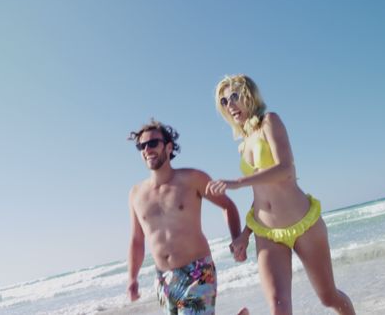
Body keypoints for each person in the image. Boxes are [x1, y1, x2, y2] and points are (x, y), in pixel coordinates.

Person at [207, 75, 355, 315]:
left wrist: (238, 182)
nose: (230, 105)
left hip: (303, 223)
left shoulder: (269, 122)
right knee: (278, 306)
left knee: (329, 298)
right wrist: (245, 235)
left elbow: (286, 169)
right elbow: (260, 196)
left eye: (234, 96)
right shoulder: (243, 144)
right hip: (267, 233)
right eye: (224, 102)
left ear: (249, 95)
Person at [127, 119, 245, 315]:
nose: (147, 149)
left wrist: (237, 240)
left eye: (153, 143)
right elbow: (137, 240)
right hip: (163, 279)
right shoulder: (136, 194)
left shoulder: (192, 179)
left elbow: (228, 206)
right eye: (142, 145)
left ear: (169, 146)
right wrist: (132, 278)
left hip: (197, 272)